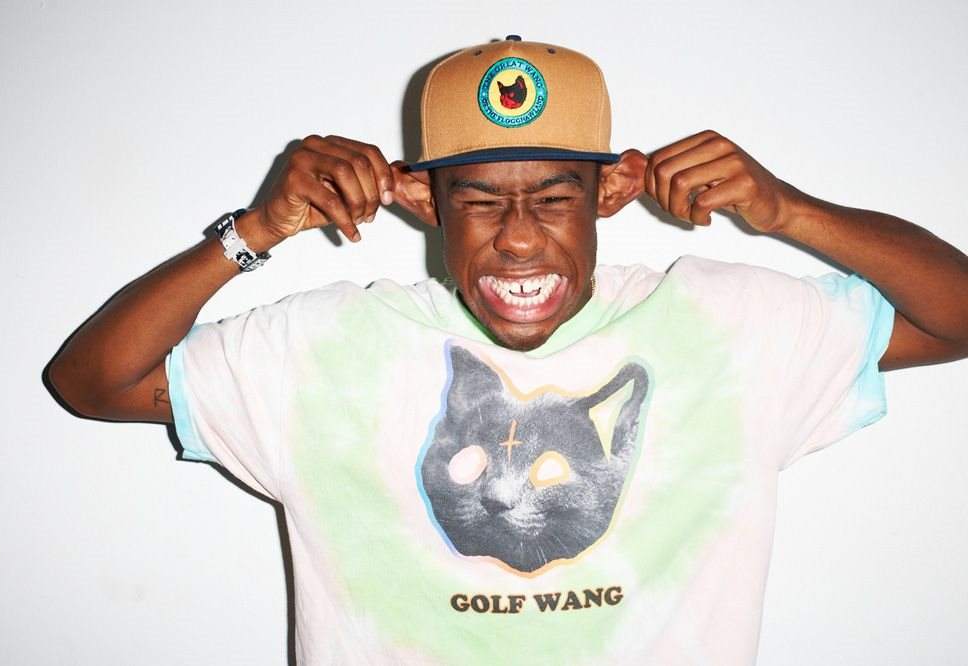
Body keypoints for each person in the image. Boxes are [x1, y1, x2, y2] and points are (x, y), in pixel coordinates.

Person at [48, 36, 968, 664]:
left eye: (555, 198)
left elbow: (955, 317)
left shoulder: (725, 327)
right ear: (423, 202)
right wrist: (256, 229)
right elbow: (89, 381)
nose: (519, 238)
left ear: (613, 193)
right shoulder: (329, 349)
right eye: (481, 201)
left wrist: (787, 211)